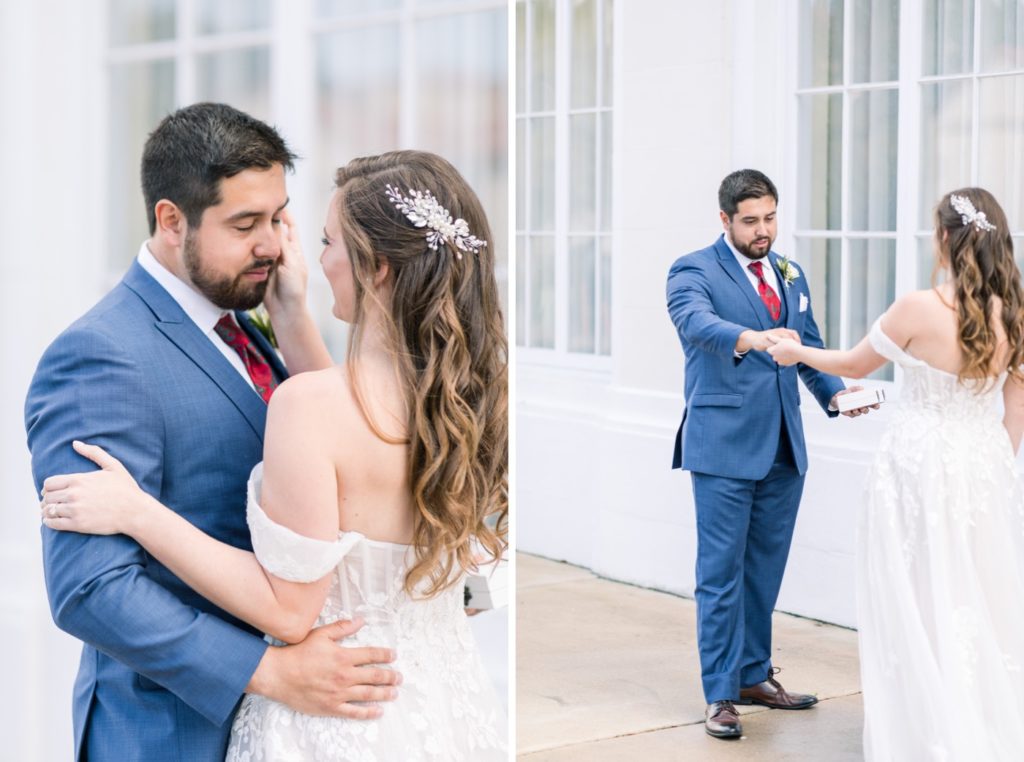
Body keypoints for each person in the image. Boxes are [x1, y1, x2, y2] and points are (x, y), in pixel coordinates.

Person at [40, 149, 509, 759]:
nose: (289, 253)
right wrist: (290, 314)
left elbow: (291, 608)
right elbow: (357, 436)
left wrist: (136, 512)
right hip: (441, 706)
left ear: (378, 268)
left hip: (333, 719)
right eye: (248, 225)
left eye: (321, 238)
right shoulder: (462, 397)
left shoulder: (312, 402)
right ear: (172, 219)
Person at [766, 188, 1024, 760]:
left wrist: (795, 351)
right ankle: (978, 718)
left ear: (944, 240)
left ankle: (926, 727)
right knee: (977, 592)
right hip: (981, 464)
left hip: (919, 462)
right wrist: (994, 471)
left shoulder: (918, 307)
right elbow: (1016, 410)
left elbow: (854, 365)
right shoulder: (1018, 313)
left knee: (915, 592)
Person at [665, 169, 875, 740]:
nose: (763, 231)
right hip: (723, 446)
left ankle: (755, 675)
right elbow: (696, 324)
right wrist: (754, 338)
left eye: (770, 218)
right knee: (720, 575)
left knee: (763, 571)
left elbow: (804, 349)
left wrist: (838, 398)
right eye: (751, 221)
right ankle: (720, 693)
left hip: (784, 446)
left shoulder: (790, 273)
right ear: (725, 219)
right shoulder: (692, 270)